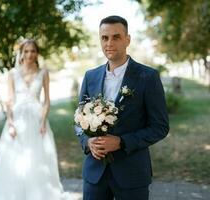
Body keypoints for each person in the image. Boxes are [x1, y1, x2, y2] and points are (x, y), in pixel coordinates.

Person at [75, 16, 169, 200]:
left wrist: (122, 142)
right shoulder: (90, 76)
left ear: (127, 39)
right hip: (95, 174)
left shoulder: (147, 77)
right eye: (104, 38)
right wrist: (87, 142)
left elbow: (160, 127)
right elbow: (78, 121)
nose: (109, 43)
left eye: (116, 37)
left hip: (132, 174)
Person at [0, 39, 69, 200]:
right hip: (17, 121)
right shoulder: (13, 74)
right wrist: (10, 123)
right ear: (21, 53)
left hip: (38, 121)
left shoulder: (43, 72)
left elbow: (47, 100)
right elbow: (9, 100)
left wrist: (43, 122)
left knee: (37, 161)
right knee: (15, 160)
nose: (30, 54)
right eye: (27, 51)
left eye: (33, 51)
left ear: (37, 53)